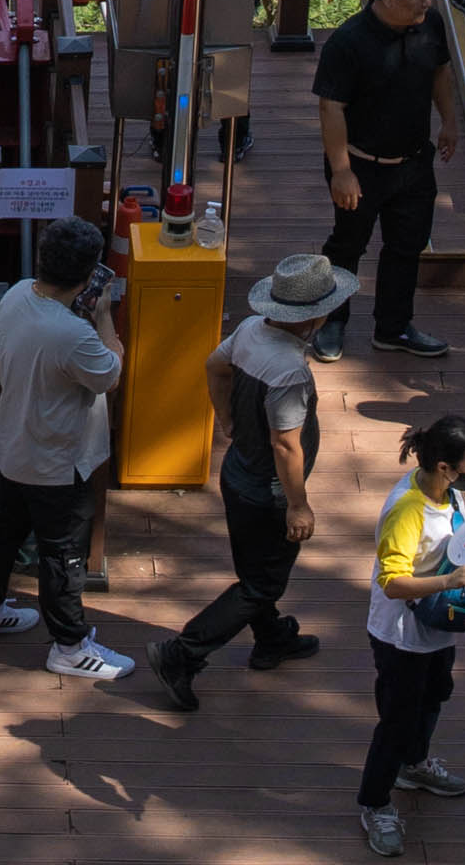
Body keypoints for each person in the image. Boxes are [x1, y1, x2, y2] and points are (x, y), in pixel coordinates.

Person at [154, 244, 339, 708]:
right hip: (268, 493)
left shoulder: (251, 330)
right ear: (312, 317)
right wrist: (298, 504)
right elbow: (286, 445)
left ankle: (271, 638)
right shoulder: (290, 373)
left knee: (255, 569)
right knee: (262, 584)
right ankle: (183, 652)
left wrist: (225, 418)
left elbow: (214, 367)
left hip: (237, 473)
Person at [0, 217, 130, 680]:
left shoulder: (16, 296)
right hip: (59, 461)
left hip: (14, 444)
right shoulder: (73, 334)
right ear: (86, 275)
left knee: (5, 531)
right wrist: (103, 316)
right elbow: (109, 373)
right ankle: (70, 647)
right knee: (64, 554)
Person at [360, 411, 465, 854]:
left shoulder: (447, 491)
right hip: (401, 635)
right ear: (445, 467)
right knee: (397, 720)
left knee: (435, 694)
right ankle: (375, 803)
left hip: (436, 627)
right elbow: (393, 582)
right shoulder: (408, 510)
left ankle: (414, 764)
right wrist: (448, 581)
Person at [313, 0, 461, 356]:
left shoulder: (430, 23)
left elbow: (441, 70)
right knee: (347, 245)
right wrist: (342, 171)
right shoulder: (348, 42)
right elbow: (330, 108)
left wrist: (449, 122)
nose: (426, 2)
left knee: (407, 245)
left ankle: (393, 328)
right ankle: (331, 321)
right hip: (360, 165)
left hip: (414, 163)